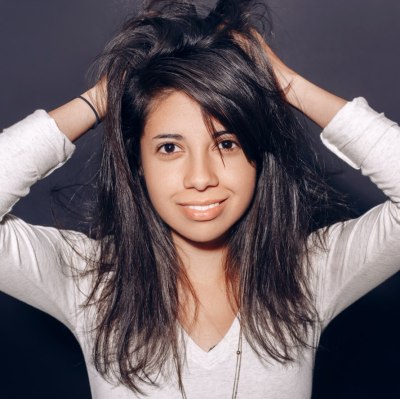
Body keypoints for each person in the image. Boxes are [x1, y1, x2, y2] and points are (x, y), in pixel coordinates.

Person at [0, 0, 399, 398]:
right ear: (138, 162)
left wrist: (283, 83)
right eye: (170, 148)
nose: (201, 178)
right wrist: (106, 95)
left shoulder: (308, 272)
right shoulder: (88, 278)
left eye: (225, 143)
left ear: (258, 156)